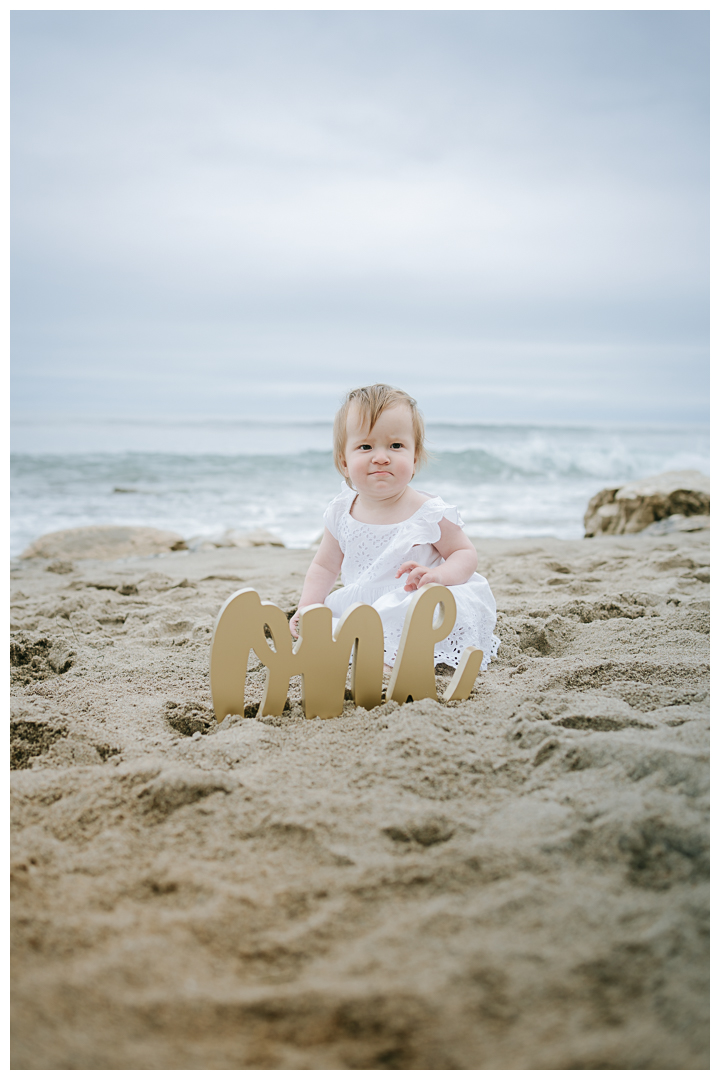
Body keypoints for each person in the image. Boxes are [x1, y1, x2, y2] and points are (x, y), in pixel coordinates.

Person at [289, 384, 500, 671]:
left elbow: (465, 553)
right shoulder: (341, 511)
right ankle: (369, 657)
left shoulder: (427, 512)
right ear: (344, 461)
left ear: (414, 459)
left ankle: (390, 665)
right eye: (365, 446)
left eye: (396, 446)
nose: (381, 457)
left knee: (408, 613)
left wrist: (438, 575)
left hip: (416, 601)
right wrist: (308, 607)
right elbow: (325, 567)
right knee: (332, 625)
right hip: (365, 606)